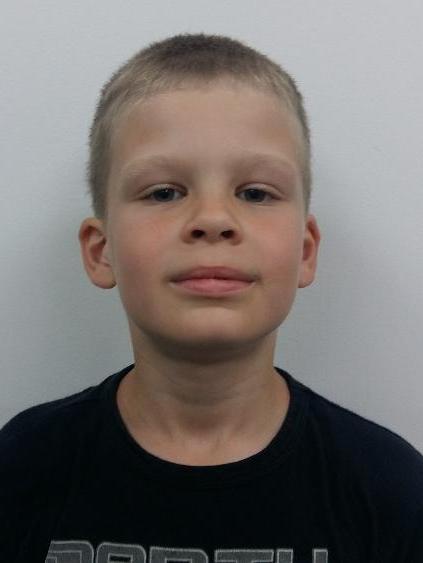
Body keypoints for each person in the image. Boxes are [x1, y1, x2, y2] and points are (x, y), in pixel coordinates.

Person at [1, 33, 422, 563]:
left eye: (255, 193)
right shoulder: (22, 469)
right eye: (164, 192)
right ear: (101, 251)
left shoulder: (390, 490)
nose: (213, 219)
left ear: (305, 250)